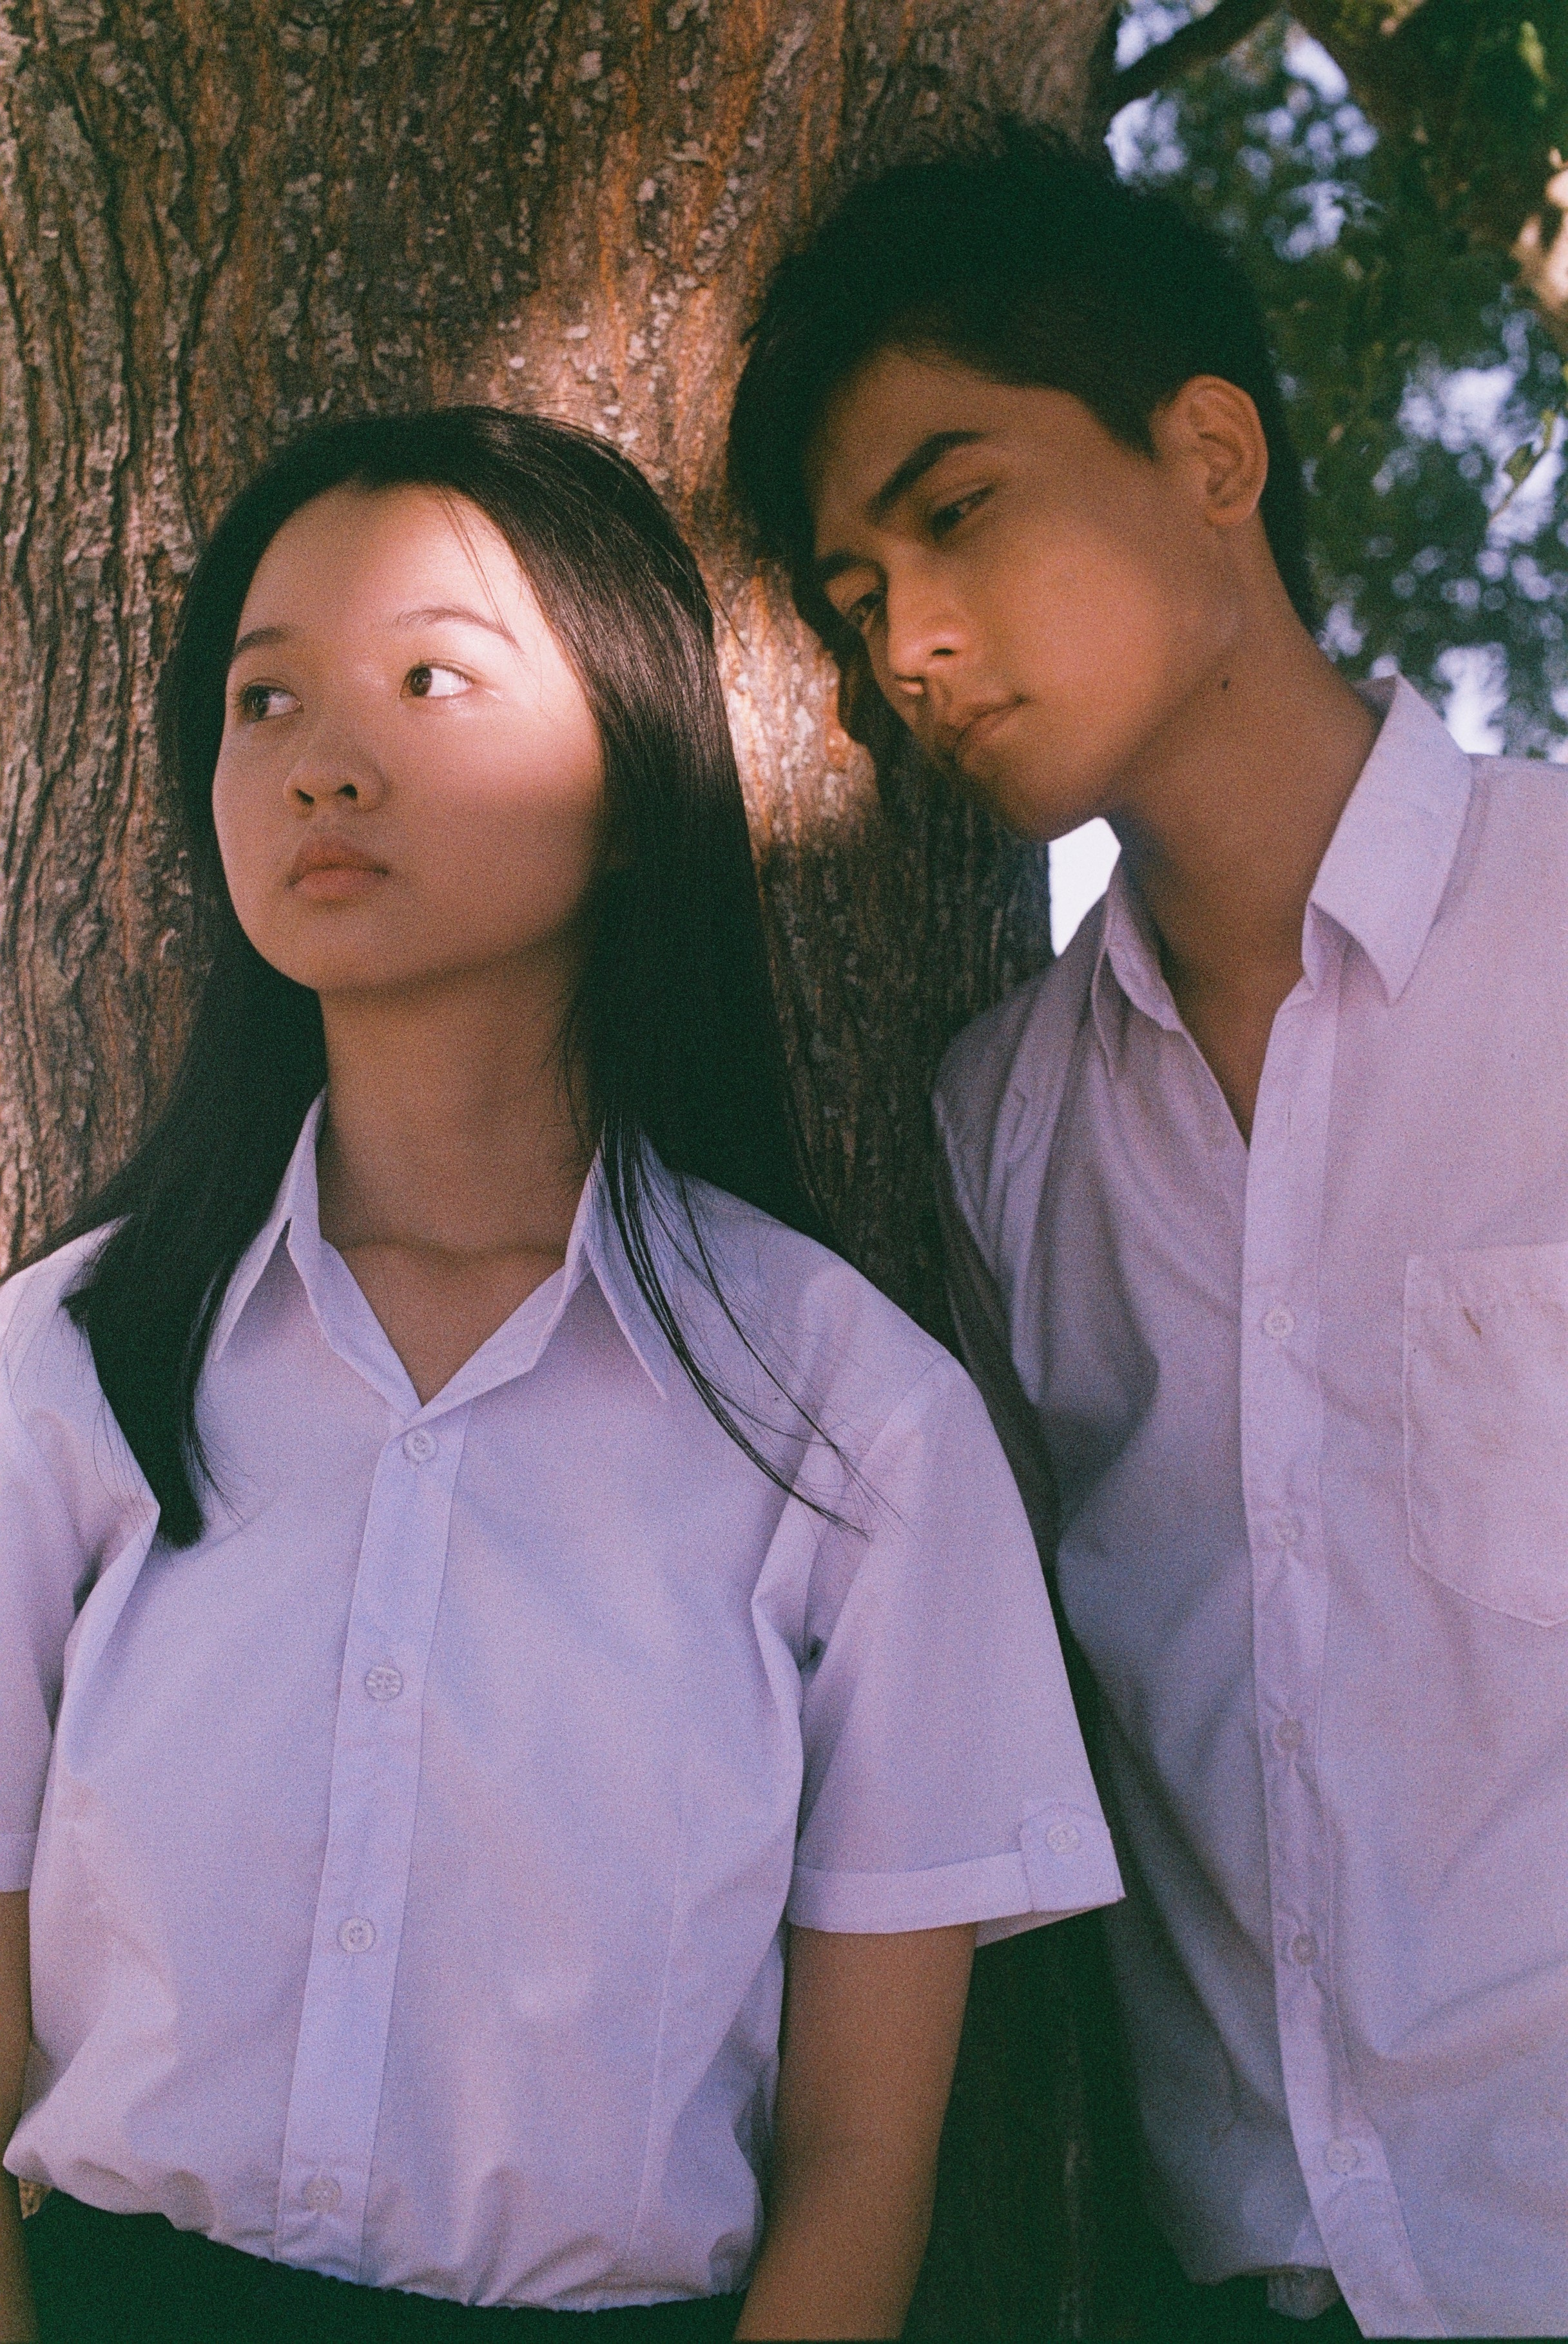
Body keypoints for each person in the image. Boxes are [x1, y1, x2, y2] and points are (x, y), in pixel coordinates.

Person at [0, 407, 1123, 2344]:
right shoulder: (72, 1362)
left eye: (430, 679)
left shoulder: (852, 1422)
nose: (320, 760)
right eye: (263, 701)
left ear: (634, 769)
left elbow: (863, 2164)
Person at [728, 124, 1568, 2343]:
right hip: (1238, 2291)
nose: (905, 642)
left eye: (956, 509)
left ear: (1209, 455)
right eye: (849, 595)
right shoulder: (1001, 1128)